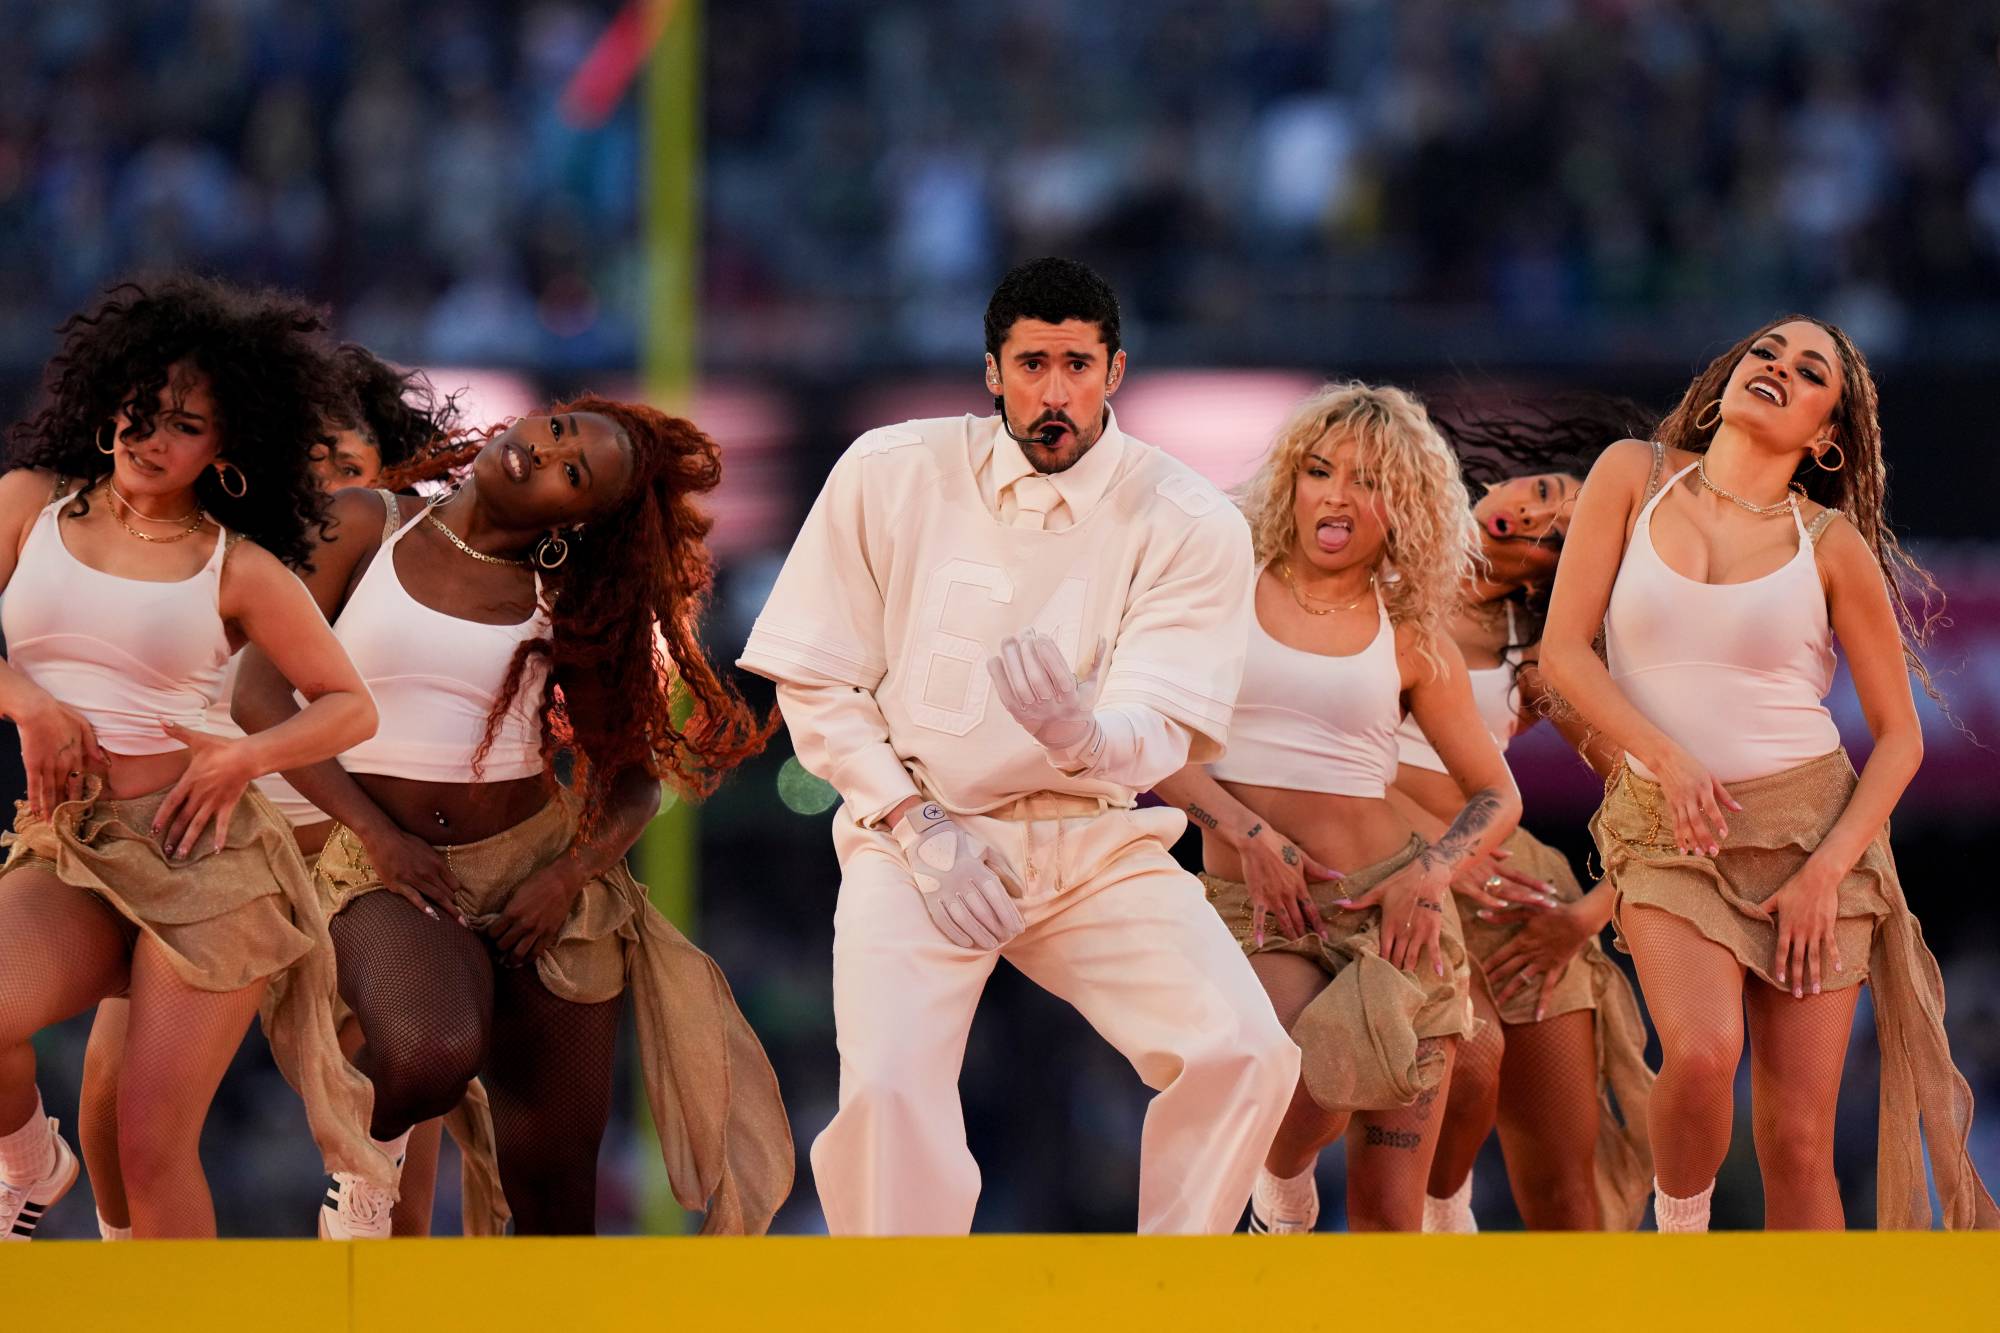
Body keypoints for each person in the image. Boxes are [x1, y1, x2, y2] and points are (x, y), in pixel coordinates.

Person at [739, 256, 1299, 1235]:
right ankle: (903, 1301)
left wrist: (1084, 736)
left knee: (1244, 1050)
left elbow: (1162, 725)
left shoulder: (1190, 518)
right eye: (1032, 364)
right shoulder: (888, 468)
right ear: (991, 371)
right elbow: (818, 677)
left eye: (1076, 365)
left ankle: (1172, 1288)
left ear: (1114, 371)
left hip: (1093, 840)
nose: (1054, 391)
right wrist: (911, 820)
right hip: (916, 832)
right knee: (888, 1094)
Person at [238, 398, 793, 1236]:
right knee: (428, 1052)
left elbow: (636, 783)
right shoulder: (364, 524)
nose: (546, 453)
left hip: (536, 883)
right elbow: (256, 693)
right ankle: (362, 1178)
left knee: (557, 1192)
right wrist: (377, 833)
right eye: (559, 431)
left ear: (575, 521)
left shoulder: (568, 597)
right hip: (385, 863)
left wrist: (568, 876)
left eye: (574, 474)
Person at [1542, 315, 1997, 1230]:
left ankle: (1811, 1302)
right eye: (1767, 353)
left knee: (1796, 1140)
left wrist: (1827, 872)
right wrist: (1666, 759)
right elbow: (1563, 656)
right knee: (1704, 1050)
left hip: (1812, 835)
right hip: (1668, 821)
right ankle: (1681, 1243)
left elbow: (1899, 738)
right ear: (1728, 377)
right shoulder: (1632, 475)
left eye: (1809, 371)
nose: (1779, 369)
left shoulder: (1830, 544)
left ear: (1826, 437)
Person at [0, 276, 388, 1240]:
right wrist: (25, 699)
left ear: (226, 448)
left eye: (184, 424)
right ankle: (28, 1161)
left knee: (148, 1142)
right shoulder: (28, 505)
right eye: (140, 406)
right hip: (72, 846)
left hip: (203, 860)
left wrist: (244, 758)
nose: (150, 434)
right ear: (107, 401)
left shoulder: (239, 566)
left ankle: (178, 1303)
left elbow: (351, 707)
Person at [77, 345, 469, 1241]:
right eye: (309, 459)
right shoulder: (214, 548)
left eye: (347, 465)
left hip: (345, 856)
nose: (326, 482)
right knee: (109, 1085)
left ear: (384, 478)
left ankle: (387, 1280)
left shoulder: (400, 571)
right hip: (206, 851)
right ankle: (124, 1262)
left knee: (401, 1084)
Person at [1154, 381, 1521, 1233]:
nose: (1337, 496)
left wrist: (1432, 875)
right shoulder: (1222, 590)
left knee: (1390, 1218)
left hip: (1395, 913)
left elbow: (1498, 792)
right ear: (1290, 479)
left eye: (1369, 481)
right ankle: (1280, 1189)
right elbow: (1153, 745)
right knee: (1300, 1081)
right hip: (1264, 909)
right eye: (1320, 471)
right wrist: (1249, 835)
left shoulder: (1412, 635)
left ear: (1406, 507)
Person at [1386, 401, 1658, 1233]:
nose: (1531, 514)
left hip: (1516, 909)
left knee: (1565, 1196)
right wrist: (1431, 847)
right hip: (1388, 882)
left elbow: (1656, 796)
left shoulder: (1535, 657)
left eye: (1555, 535)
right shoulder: (1369, 575)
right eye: (1540, 491)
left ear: (1552, 576)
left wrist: (1583, 917)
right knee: (1442, 1100)